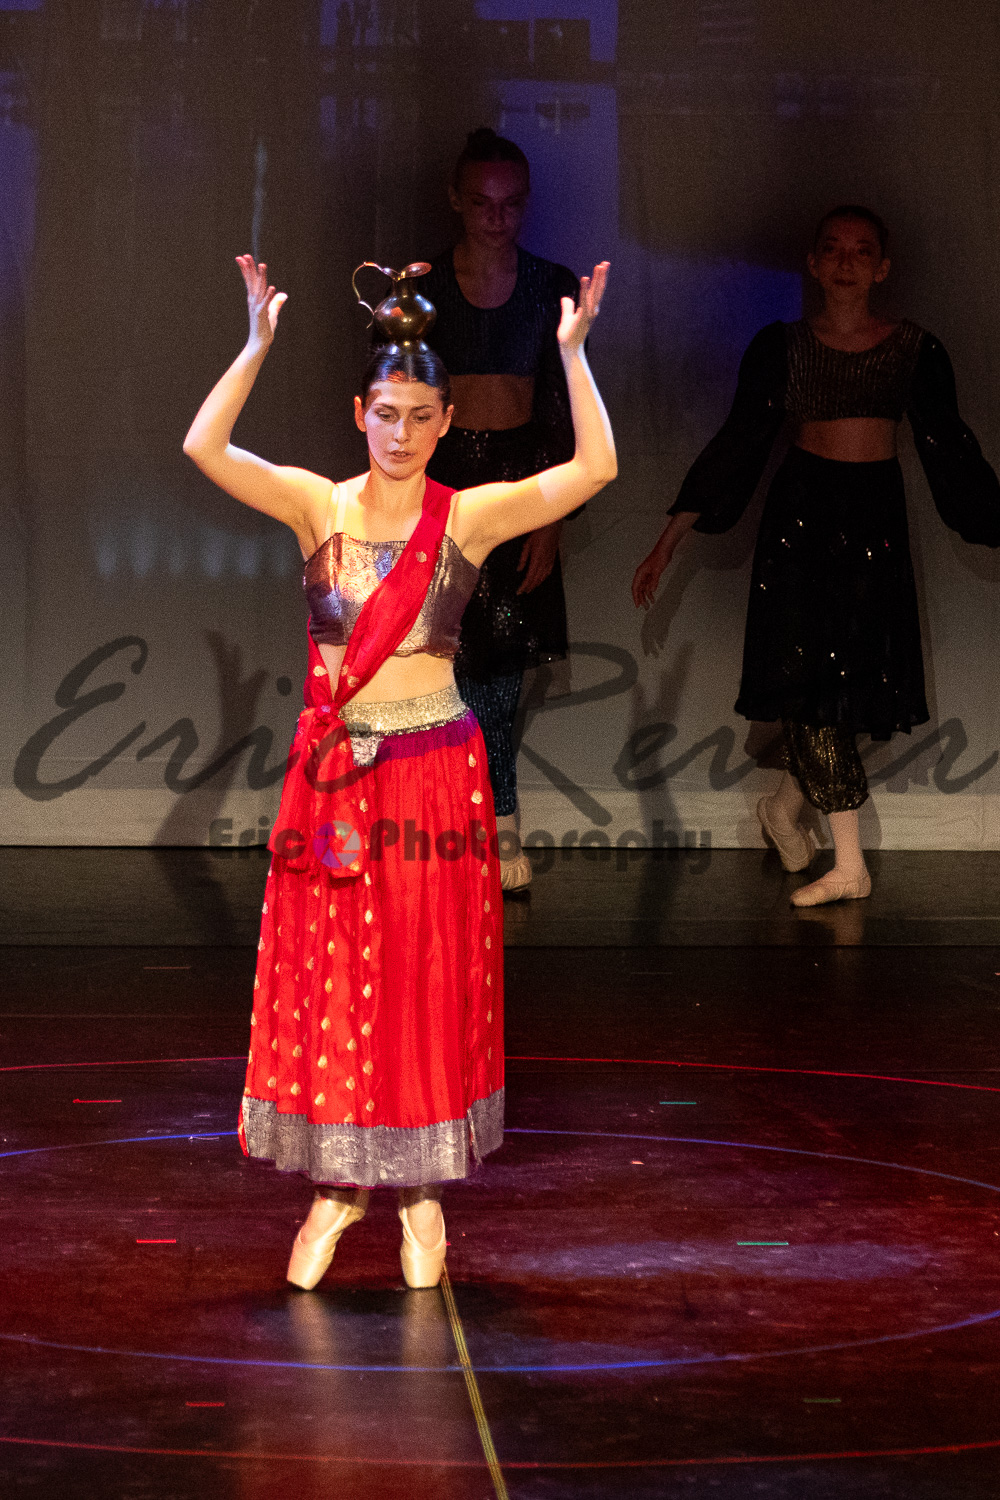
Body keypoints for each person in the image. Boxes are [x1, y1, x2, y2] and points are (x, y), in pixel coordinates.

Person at [183, 254, 614, 1289]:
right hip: (336, 784)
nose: (402, 433)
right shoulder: (316, 506)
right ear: (359, 414)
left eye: (422, 417)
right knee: (337, 981)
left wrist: (571, 355)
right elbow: (203, 446)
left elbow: (594, 469)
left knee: (421, 983)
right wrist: (255, 345)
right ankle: (338, 1192)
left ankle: (422, 1199)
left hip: (433, 774)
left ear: (446, 419)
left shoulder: (464, 518)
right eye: (386, 413)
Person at [632, 206, 1000, 907]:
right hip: (801, 521)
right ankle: (849, 865)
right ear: (812, 262)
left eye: (861, 251)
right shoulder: (783, 347)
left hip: (874, 520)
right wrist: (667, 542)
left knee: (853, 685)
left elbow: (952, 449)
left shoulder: (913, 349)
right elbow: (737, 444)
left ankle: (783, 807)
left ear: (882, 267)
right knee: (807, 684)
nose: (846, 262)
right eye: (832, 248)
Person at [420, 127, 582, 892]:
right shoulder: (419, 288)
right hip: (441, 482)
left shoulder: (551, 284)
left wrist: (549, 516)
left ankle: (500, 826)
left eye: (512, 204)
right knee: (434, 666)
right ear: (456, 200)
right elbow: (396, 403)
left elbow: (562, 409)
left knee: (499, 671)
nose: (497, 218)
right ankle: (438, 829)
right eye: (483, 203)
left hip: (519, 483)